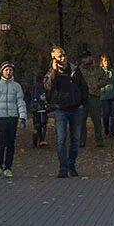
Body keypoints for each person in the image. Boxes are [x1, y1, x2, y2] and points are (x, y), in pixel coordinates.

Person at [44, 46, 88, 178]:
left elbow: (83, 87)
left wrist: (83, 104)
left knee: (75, 139)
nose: (63, 58)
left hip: (75, 108)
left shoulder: (75, 70)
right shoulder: (52, 73)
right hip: (60, 109)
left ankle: (71, 165)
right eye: (59, 56)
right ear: (54, 59)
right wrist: (54, 71)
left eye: (64, 55)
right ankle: (63, 167)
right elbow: (48, 87)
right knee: (61, 139)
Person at [0, 61, 27, 178]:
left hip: (12, 117)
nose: (8, 72)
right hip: (1, 117)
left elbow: (20, 102)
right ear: (2, 71)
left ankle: (8, 167)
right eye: (6, 70)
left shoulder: (16, 86)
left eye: (10, 70)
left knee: (11, 143)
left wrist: (22, 117)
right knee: (2, 141)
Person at [78, 50, 107, 149]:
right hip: (82, 98)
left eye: (87, 57)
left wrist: (98, 84)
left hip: (94, 96)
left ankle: (99, 140)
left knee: (97, 120)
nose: (86, 59)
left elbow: (105, 78)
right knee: (81, 121)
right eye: (84, 58)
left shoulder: (97, 69)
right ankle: (82, 140)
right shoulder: (79, 71)